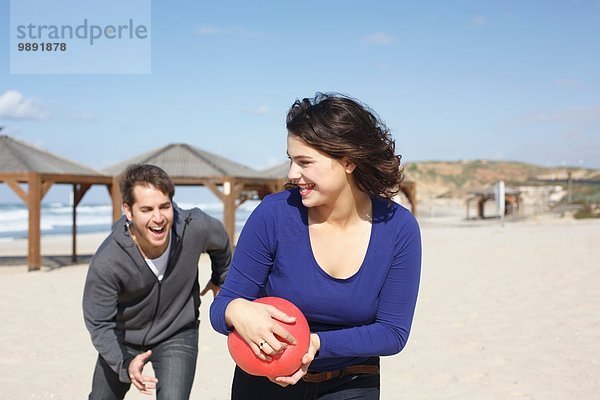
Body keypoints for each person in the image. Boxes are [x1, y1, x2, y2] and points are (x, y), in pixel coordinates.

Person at [210, 93, 422, 399]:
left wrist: (314, 343)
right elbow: (221, 309)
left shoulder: (399, 228)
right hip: (264, 384)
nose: (291, 174)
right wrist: (236, 310)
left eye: (304, 162)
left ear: (348, 161)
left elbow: (392, 333)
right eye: (291, 160)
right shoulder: (273, 215)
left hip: (352, 384)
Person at [83, 164, 232, 400]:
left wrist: (220, 279)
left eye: (164, 206)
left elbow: (221, 241)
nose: (158, 218)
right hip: (124, 337)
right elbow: (99, 323)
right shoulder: (109, 259)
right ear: (128, 211)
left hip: (177, 331)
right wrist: (125, 363)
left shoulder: (194, 227)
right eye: (146, 209)